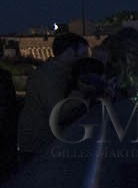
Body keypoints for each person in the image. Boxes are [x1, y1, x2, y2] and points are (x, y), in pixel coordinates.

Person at [16, 32, 89, 168]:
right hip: (40, 145)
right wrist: (81, 95)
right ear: (70, 52)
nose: (86, 57)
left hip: (43, 143)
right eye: (83, 53)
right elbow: (57, 114)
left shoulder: (57, 72)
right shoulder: (50, 76)